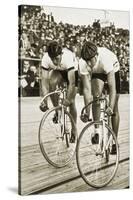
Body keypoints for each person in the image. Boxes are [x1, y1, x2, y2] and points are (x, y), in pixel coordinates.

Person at [79, 41, 120, 154]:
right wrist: (87, 113)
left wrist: (110, 107)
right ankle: (97, 130)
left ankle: (114, 140)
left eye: (90, 60)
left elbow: (113, 89)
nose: (88, 64)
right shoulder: (83, 63)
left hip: (112, 68)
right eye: (86, 61)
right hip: (97, 72)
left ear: (96, 55)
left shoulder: (105, 59)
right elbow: (87, 90)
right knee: (96, 96)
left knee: (114, 109)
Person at [40, 41, 78, 142]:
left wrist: (68, 99)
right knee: (51, 83)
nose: (55, 61)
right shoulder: (46, 58)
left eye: (56, 58)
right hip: (58, 70)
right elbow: (44, 82)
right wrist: (44, 100)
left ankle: (74, 130)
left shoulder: (68, 58)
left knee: (71, 102)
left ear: (61, 54)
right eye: (52, 59)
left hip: (71, 71)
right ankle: (57, 111)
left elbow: (72, 83)